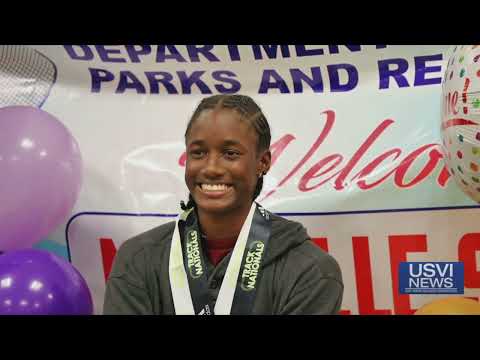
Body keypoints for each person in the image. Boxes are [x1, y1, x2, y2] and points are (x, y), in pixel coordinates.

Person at [103, 94, 343, 315]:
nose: (211, 168)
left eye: (230, 154)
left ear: (263, 162)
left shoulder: (311, 272)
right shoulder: (138, 259)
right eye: (198, 153)